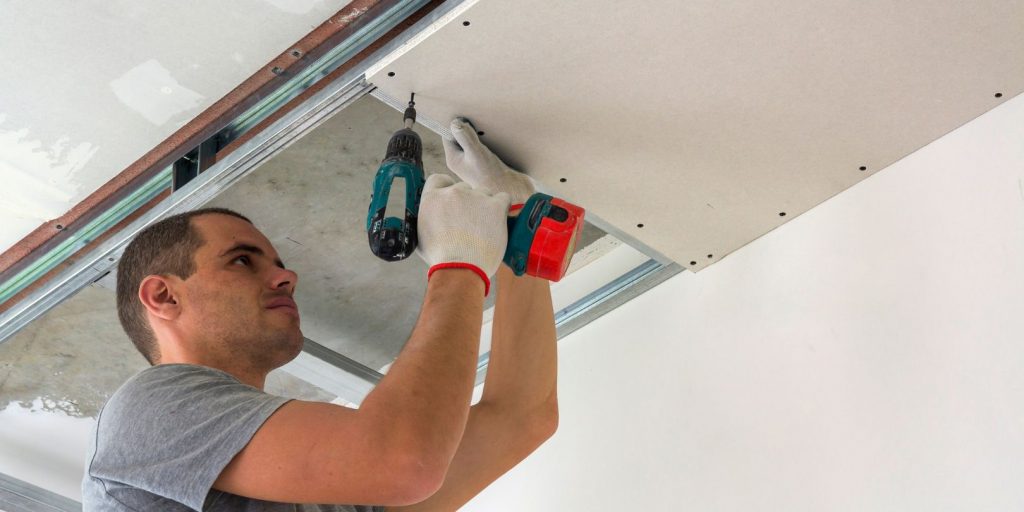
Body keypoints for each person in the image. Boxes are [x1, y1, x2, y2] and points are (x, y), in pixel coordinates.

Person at [82, 118, 559, 511]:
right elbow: (404, 462)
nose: (287, 278)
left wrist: (519, 226)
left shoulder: (319, 488)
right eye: (242, 260)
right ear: (163, 297)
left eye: (281, 266)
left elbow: (522, 416)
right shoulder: (149, 411)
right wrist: (459, 262)